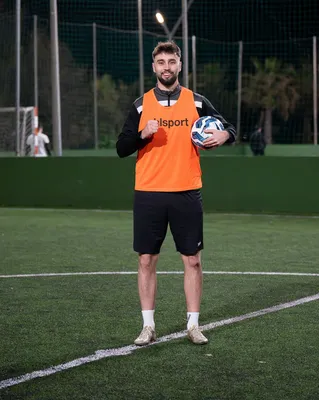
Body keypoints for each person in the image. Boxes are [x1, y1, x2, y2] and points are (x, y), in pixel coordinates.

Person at [116, 41, 236, 346]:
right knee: (146, 260)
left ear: (180, 65)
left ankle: (193, 325)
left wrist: (224, 135)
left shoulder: (197, 102)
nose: (166, 67)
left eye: (172, 62)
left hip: (187, 191)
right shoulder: (141, 105)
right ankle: (148, 326)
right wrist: (143, 135)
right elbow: (121, 147)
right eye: (161, 62)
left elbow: (229, 128)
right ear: (154, 67)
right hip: (149, 192)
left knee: (193, 260)